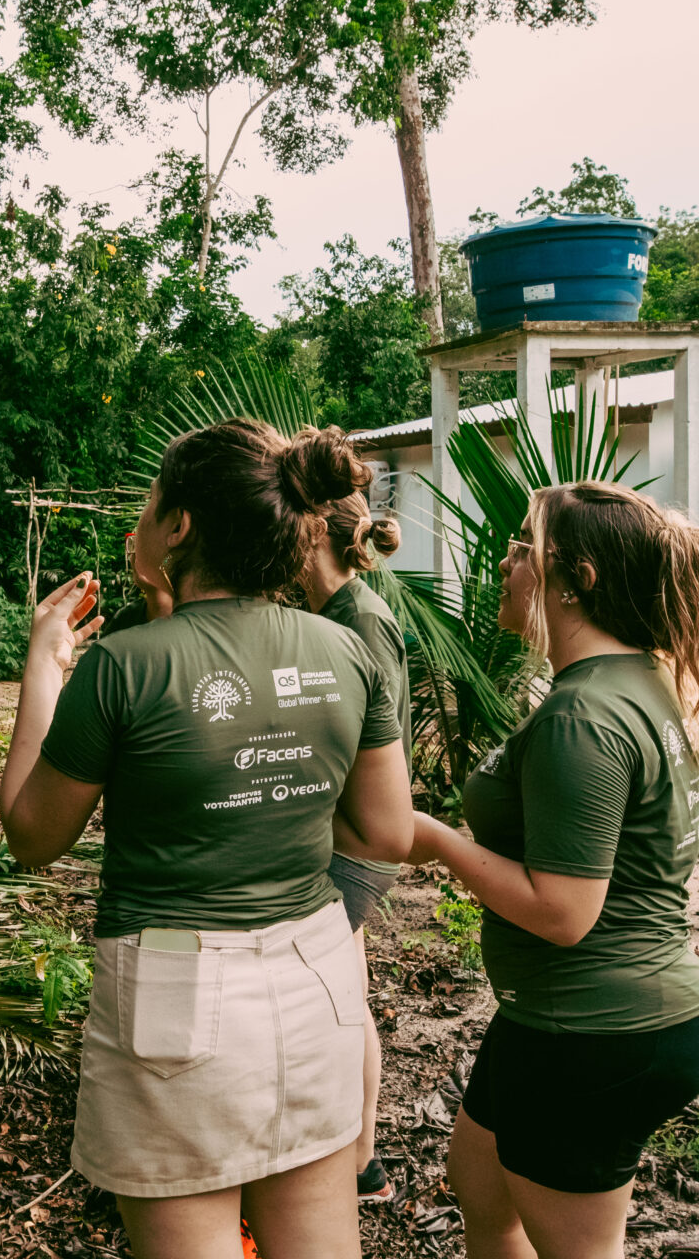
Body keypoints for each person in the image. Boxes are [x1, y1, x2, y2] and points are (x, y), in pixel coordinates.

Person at [0, 420, 417, 1259]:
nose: (141, 523)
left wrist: (43, 672)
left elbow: (32, 836)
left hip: (173, 994)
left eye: (151, 504)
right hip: (319, 978)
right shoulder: (347, 648)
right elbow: (387, 829)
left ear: (181, 526)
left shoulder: (124, 664)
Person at [350, 480, 699, 1259]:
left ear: (576, 579)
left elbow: (564, 912)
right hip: (569, 1016)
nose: (504, 559)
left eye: (524, 546)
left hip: (596, 1030)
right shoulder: (637, 682)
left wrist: (437, 840)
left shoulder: (582, 718)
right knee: (480, 1182)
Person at [298, 494, 408, 1206]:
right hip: (329, 830)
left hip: (358, 839)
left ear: (310, 531)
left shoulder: (362, 619)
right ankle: (362, 1161)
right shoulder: (320, 613)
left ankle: (355, 1157)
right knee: (348, 995)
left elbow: (377, 749)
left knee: (332, 997)